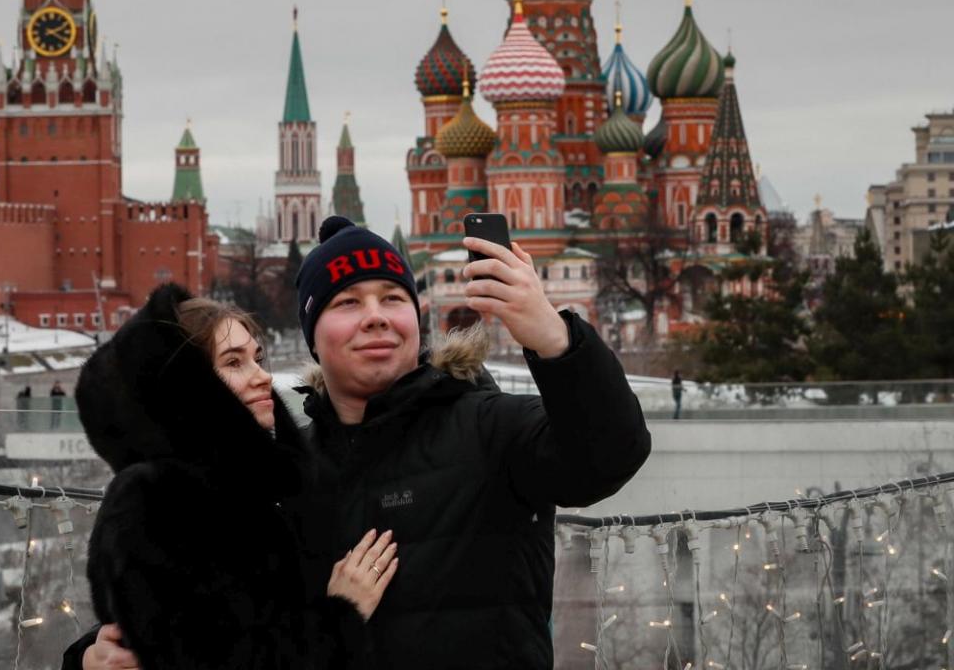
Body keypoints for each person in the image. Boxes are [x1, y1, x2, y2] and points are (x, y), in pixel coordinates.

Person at [77, 216, 651, 669]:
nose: (375, 317)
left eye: (393, 298)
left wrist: (553, 336)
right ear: (313, 336)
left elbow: (608, 455)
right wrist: (88, 659)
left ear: (416, 319)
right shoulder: (284, 477)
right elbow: (202, 615)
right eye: (348, 303)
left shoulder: (490, 429)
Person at [70, 283, 397, 669]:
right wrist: (344, 614)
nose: (262, 377)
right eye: (233, 362)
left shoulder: (276, 483)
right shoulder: (157, 499)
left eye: (257, 358)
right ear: (187, 387)